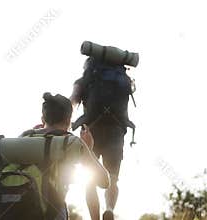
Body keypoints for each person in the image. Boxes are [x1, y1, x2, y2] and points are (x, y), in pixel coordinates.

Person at [20, 92, 110, 220]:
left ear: (43, 120)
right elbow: (104, 181)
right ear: (68, 121)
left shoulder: (24, 137)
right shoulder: (70, 143)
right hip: (48, 213)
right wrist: (88, 149)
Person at [70, 58, 128, 220]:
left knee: (89, 180)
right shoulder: (121, 80)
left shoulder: (85, 80)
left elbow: (73, 100)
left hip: (90, 133)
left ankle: (95, 218)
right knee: (113, 178)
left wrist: (63, 119)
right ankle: (109, 208)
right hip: (115, 132)